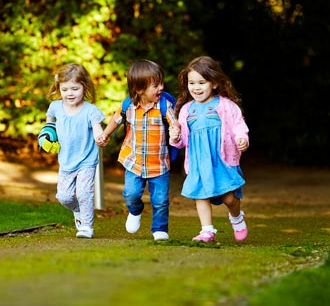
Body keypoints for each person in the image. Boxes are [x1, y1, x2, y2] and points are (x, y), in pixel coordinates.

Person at [169, 56, 249, 243]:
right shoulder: (187, 110)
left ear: (214, 83)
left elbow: (239, 126)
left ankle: (236, 217)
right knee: (201, 194)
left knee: (229, 198)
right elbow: (182, 141)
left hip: (221, 159)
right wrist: (175, 137)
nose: (196, 87)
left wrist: (242, 139)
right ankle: (207, 230)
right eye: (191, 83)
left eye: (201, 83)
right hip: (198, 161)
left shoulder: (225, 106)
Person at [96, 60, 177, 241]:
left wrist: (175, 132)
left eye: (161, 83)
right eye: (155, 85)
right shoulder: (128, 106)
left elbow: (173, 122)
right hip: (133, 161)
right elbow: (116, 120)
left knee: (161, 201)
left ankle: (160, 229)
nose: (161, 88)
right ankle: (135, 211)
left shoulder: (164, 106)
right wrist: (105, 134)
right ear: (139, 90)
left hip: (159, 164)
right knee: (130, 194)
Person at [45, 63, 106, 239]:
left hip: (86, 160)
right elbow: (48, 125)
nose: (69, 93)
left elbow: (97, 130)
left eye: (74, 88)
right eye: (64, 89)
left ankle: (86, 226)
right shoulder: (55, 107)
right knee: (63, 197)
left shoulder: (91, 111)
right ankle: (79, 210)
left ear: (84, 87)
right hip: (65, 161)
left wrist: (100, 137)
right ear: (59, 88)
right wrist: (47, 136)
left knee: (84, 193)